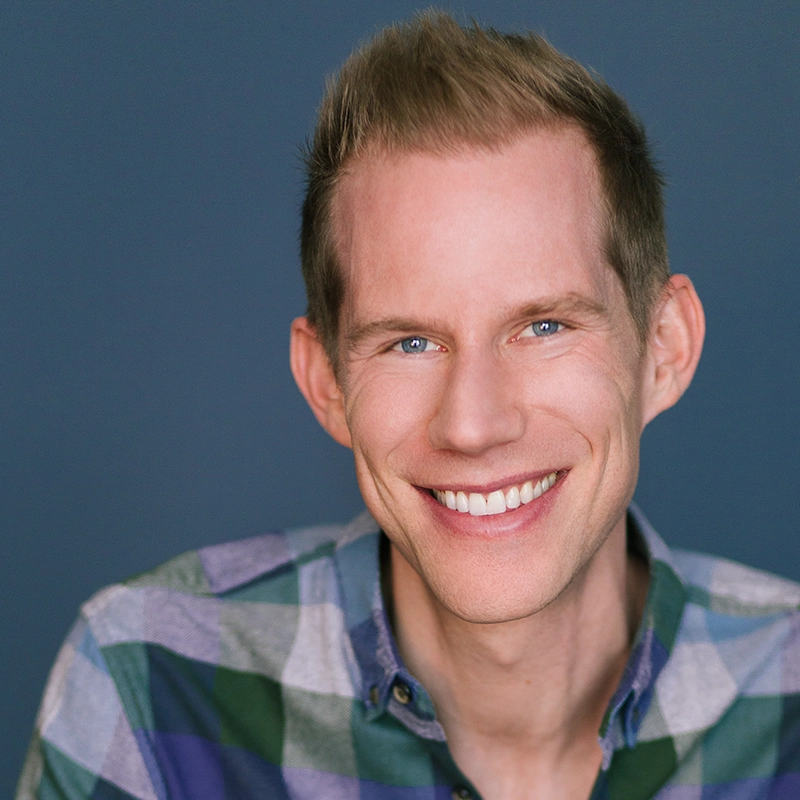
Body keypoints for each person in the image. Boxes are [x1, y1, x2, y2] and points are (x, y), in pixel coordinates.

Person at [17, 12, 800, 800]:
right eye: (410, 343)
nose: (472, 425)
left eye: (544, 327)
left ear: (664, 347)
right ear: (327, 382)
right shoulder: (151, 684)